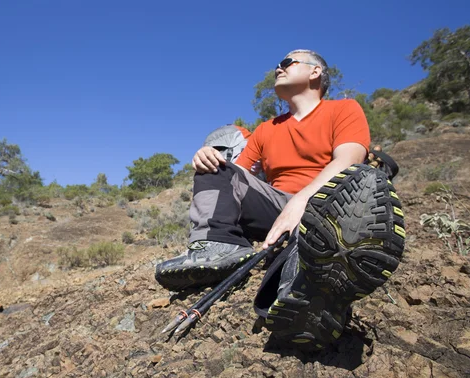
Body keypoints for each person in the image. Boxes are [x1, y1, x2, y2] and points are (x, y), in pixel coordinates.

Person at [155, 49, 405, 349]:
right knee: (218, 167)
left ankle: (304, 291)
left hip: (327, 202)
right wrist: (207, 157)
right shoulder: (265, 129)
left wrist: (301, 203)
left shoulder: (344, 109)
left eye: (287, 63)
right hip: (277, 206)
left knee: (339, 206)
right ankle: (218, 246)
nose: (278, 68)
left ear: (315, 73)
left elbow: (349, 161)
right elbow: (235, 175)